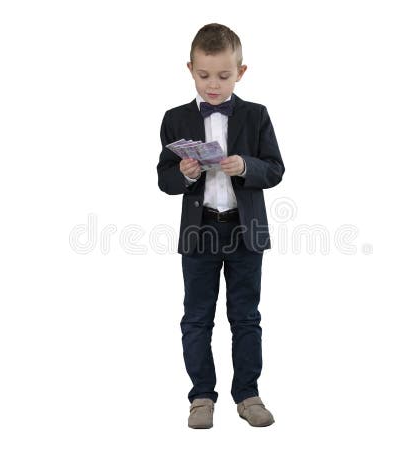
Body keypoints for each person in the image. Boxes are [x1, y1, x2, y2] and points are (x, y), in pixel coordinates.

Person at [156, 23, 285, 429]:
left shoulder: (256, 115)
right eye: (204, 75)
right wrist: (186, 172)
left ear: (241, 72)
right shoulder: (175, 119)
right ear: (190, 69)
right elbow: (164, 180)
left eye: (224, 76)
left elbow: (276, 170)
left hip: (245, 232)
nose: (213, 85)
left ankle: (248, 394)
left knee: (245, 316)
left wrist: (246, 165)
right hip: (200, 231)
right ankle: (200, 397)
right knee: (197, 317)